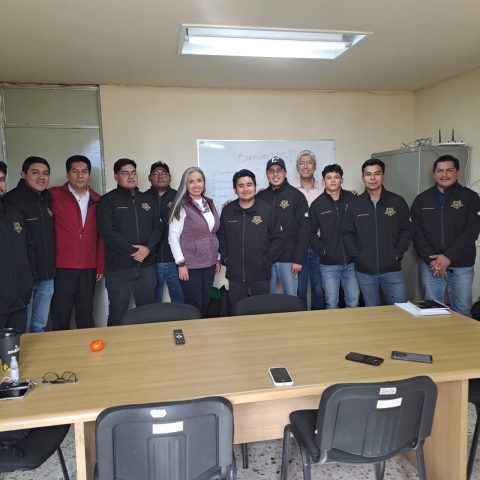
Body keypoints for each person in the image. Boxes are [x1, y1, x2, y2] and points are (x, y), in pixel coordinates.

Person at [411, 154, 480, 316]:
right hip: (431, 266)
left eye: (449, 170)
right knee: (433, 311)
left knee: (462, 310)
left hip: (461, 266)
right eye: (440, 171)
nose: (444, 174)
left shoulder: (471, 198)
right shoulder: (422, 199)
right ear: (433, 174)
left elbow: (471, 231)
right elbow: (416, 232)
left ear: (458, 172)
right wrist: (432, 260)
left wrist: (448, 257)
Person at [96, 158, 162, 326]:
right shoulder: (107, 201)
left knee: (147, 314)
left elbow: (158, 228)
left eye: (133, 173)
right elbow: (108, 232)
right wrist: (134, 252)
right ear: (116, 176)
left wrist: (147, 249)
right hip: (119, 270)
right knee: (118, 314)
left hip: (147, 268)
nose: (131, 176)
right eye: (125, 173)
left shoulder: (148, 200)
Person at [342, 158, 413, 306]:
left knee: (401, 310)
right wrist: (358, 256)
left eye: (377, 173)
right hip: (365, 271)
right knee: (372, 312)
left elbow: (407, 230)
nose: (372, 178)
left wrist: (398, 253)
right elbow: (347, 234)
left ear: (383, 176)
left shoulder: (397, 201)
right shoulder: (355, 205)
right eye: (368, 174)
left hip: (392, 269)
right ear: (363, 178)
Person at [49, 155, 105, 330]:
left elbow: (102, 236)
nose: (80, 176)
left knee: (85, 312)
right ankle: (60, 346)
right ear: (68, 174)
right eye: (75, 171)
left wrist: (100, 265)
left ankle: (86, 345)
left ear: (89, 174)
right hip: (62, 265)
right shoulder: (53, 195)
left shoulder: (98, 199)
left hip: (89, 265)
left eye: (84, 171)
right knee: (61, 312)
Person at [218, 169, 283, 309]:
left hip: (260, 274)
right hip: (235, 275)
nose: (245, 189)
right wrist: (226, 258)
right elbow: (221, 237)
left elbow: (278, 239)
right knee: (237, 311)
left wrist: (266, 260)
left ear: (255, 186)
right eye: (241, 186)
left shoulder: (267, 210)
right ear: (235, 190)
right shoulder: (228, 211)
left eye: (249, 184)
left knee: (261, 311)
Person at [5, 156, 55, 332]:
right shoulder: (11, 201)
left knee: (39, 325)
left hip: (47, 274)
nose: (41, 177)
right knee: (22, 329)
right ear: (23, 174)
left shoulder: (47, 199)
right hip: (24, 277)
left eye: (45, 173)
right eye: (35, 172)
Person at [168, 167, 220, 317]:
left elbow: (213, 233)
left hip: (209, 263)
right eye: (191, 182)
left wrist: (217, 258)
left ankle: (203, 330)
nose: (196, 185)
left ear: (204, 182)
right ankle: (194, 330)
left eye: (199, 180)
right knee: (194, 304)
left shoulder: (208, 203)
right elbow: (173, 237)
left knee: (205, 301)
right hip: (190, 265)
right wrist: (181, 264)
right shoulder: (182, 206)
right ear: (185, 184)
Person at [257, 157, 309, 296]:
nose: (275, 174)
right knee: (266, 300)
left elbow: (304, 230)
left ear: (285, 173)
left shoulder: (296, 196)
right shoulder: (260, 197)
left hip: (289, 259)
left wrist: (298, 259)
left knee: (290, 300)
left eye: (279, 170)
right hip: (266, 259)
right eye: (271, 171)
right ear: (267, 174)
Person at [310, 164, 360, 309]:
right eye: (329, 178)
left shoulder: (353, 199)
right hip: (329, 264)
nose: (333, 181)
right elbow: (311, 233)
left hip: (352, 262)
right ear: (323, 181)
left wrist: (357, 251)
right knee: (331, 303)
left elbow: (362, 227)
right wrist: (323, 251)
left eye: (336, 177)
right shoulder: (317, 204)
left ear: (341, 180)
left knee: (354, 301)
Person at [0, 161, 34, 332]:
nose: (0, 184)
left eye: (1, 179)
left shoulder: (14, 213)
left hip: (18, 299)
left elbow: (27, 248)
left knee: (17, 346)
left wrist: (28, 281)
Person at [146, 161, 184, 304]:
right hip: (150, 261)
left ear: (170, 177)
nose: (160, 176)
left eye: (164, 173)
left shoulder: (179, 197)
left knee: (180, 300)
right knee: (153, 302)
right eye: (156, 173)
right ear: (149, 178)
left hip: (176, 260)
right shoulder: (142, 198)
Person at [294, 150, 325, 310]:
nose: (305, 166)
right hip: (297, 248)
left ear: (315, 166)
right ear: (297, 167)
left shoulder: (325, 188)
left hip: (318, 247)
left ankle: (318, 320)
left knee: (319, 289)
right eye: (302, 163)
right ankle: (299, 320)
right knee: (299, 290)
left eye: (309, 162)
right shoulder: (290, 190)